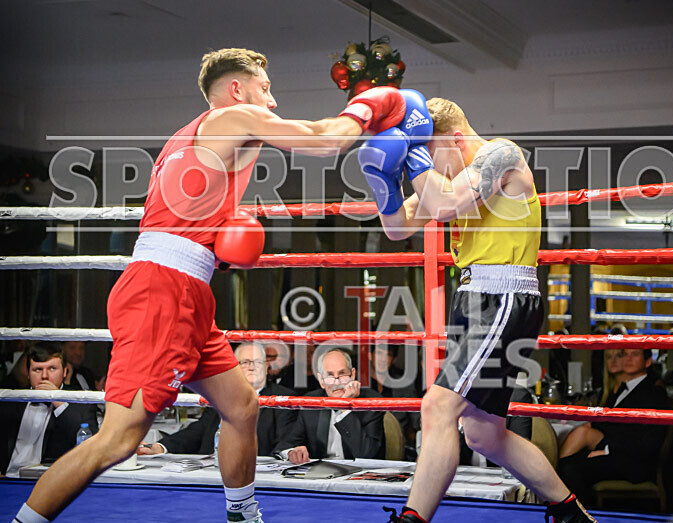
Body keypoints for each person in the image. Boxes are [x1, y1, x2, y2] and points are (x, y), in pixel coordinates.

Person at [14, 47, 406, 523]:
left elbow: (176, 220)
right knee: (118, 438)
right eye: (265, 87)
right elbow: (323, 141)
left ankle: (242, 514)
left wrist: (216, 245)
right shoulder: (234, 117)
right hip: (164, 293)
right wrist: (372, 102)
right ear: (237, 90)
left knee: (242, 406)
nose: (274, 100)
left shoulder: (183, 139)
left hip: (187, 292)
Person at [359, 92, 595, 522]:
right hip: (473, 300)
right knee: (485, 435)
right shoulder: (449, 177)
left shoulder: (501, 155)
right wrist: (381, 180)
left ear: (453, 137)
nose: (426, 168)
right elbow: (396, 229)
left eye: (428, 154)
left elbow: (445, 203)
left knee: (437, 406)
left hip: (503, 296)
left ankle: (413, 520)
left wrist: (412, 158)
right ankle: (570, 513)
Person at [136, 343, 296, 456]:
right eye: (245, 362)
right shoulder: (220, 395)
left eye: (258, 362)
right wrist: (161, 447)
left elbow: (284, 444)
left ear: (267, 367)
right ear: (235, 367)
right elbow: (198, 431)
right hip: (211, 472)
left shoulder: (282, 399)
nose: (252, 367)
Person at [557, 349, 669, 505]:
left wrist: (607, 449)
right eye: (625, 354)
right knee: (568, 464)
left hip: (634, 462)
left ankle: (581, 516)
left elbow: (648, 441)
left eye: (635, 354)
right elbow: (611, 425)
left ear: (648, 362)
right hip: (619, 453)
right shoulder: (625, 389)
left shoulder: (653, 392)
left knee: (570, 469)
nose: (628, 359)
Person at [1, 343, 98, 476]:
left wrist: (58, 401)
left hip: (49, 484)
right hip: (7, 479)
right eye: (37, 370)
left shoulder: (81, 402)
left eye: (52, 369)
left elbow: (91, 444)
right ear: (28, 373)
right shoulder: (11, 400)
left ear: (64, 372)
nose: (44, 376)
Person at [274, 349, 385, 463]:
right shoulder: (311, 403)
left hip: (358, 474)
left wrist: (345, 408)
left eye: (342, 374)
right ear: (321, 381)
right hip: (320, 475)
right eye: (330, 376)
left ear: (353, 375)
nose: (336, 383)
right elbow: (284, 445)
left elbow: (367, 455)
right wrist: (292, 452)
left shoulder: (371, 402)